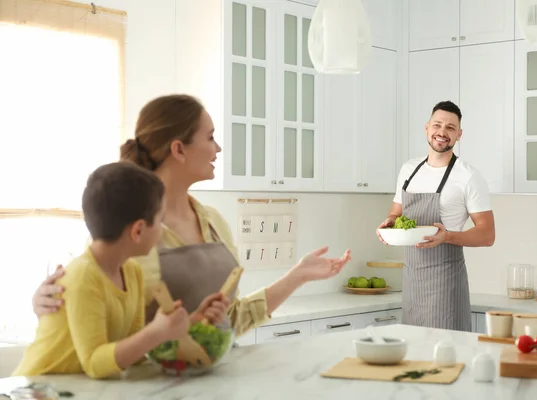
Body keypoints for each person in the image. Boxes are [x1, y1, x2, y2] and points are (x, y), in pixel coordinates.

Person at [32, 94, 351, 339]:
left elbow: (231, 319)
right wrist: (46, 304)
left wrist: (299, 275)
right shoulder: (129, 226)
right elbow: (93, 326)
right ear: (179, 149)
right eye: (210, 137)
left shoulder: (213, 222)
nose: (219, 149)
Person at [13, 162, 226, 379]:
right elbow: (94, 363)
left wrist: (190, 322)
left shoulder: (132, 273)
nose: (162, 230)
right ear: (138, 230)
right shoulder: (84, 276)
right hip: (34, 390)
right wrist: (157, 331)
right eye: (160, 220)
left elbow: (133, 352)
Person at [376, 100, 495, 332]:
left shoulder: (468, 177)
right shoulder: (409, 170)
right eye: (437, 125)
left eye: (450, 128)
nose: (442, 132)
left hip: (446, 284)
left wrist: (447, 236)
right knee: (413, 357)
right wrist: (388, 224)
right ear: (427, 128)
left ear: (459, 135)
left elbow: (487, 234)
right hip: (412, 281)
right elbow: (395, 212)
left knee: (445, 357)